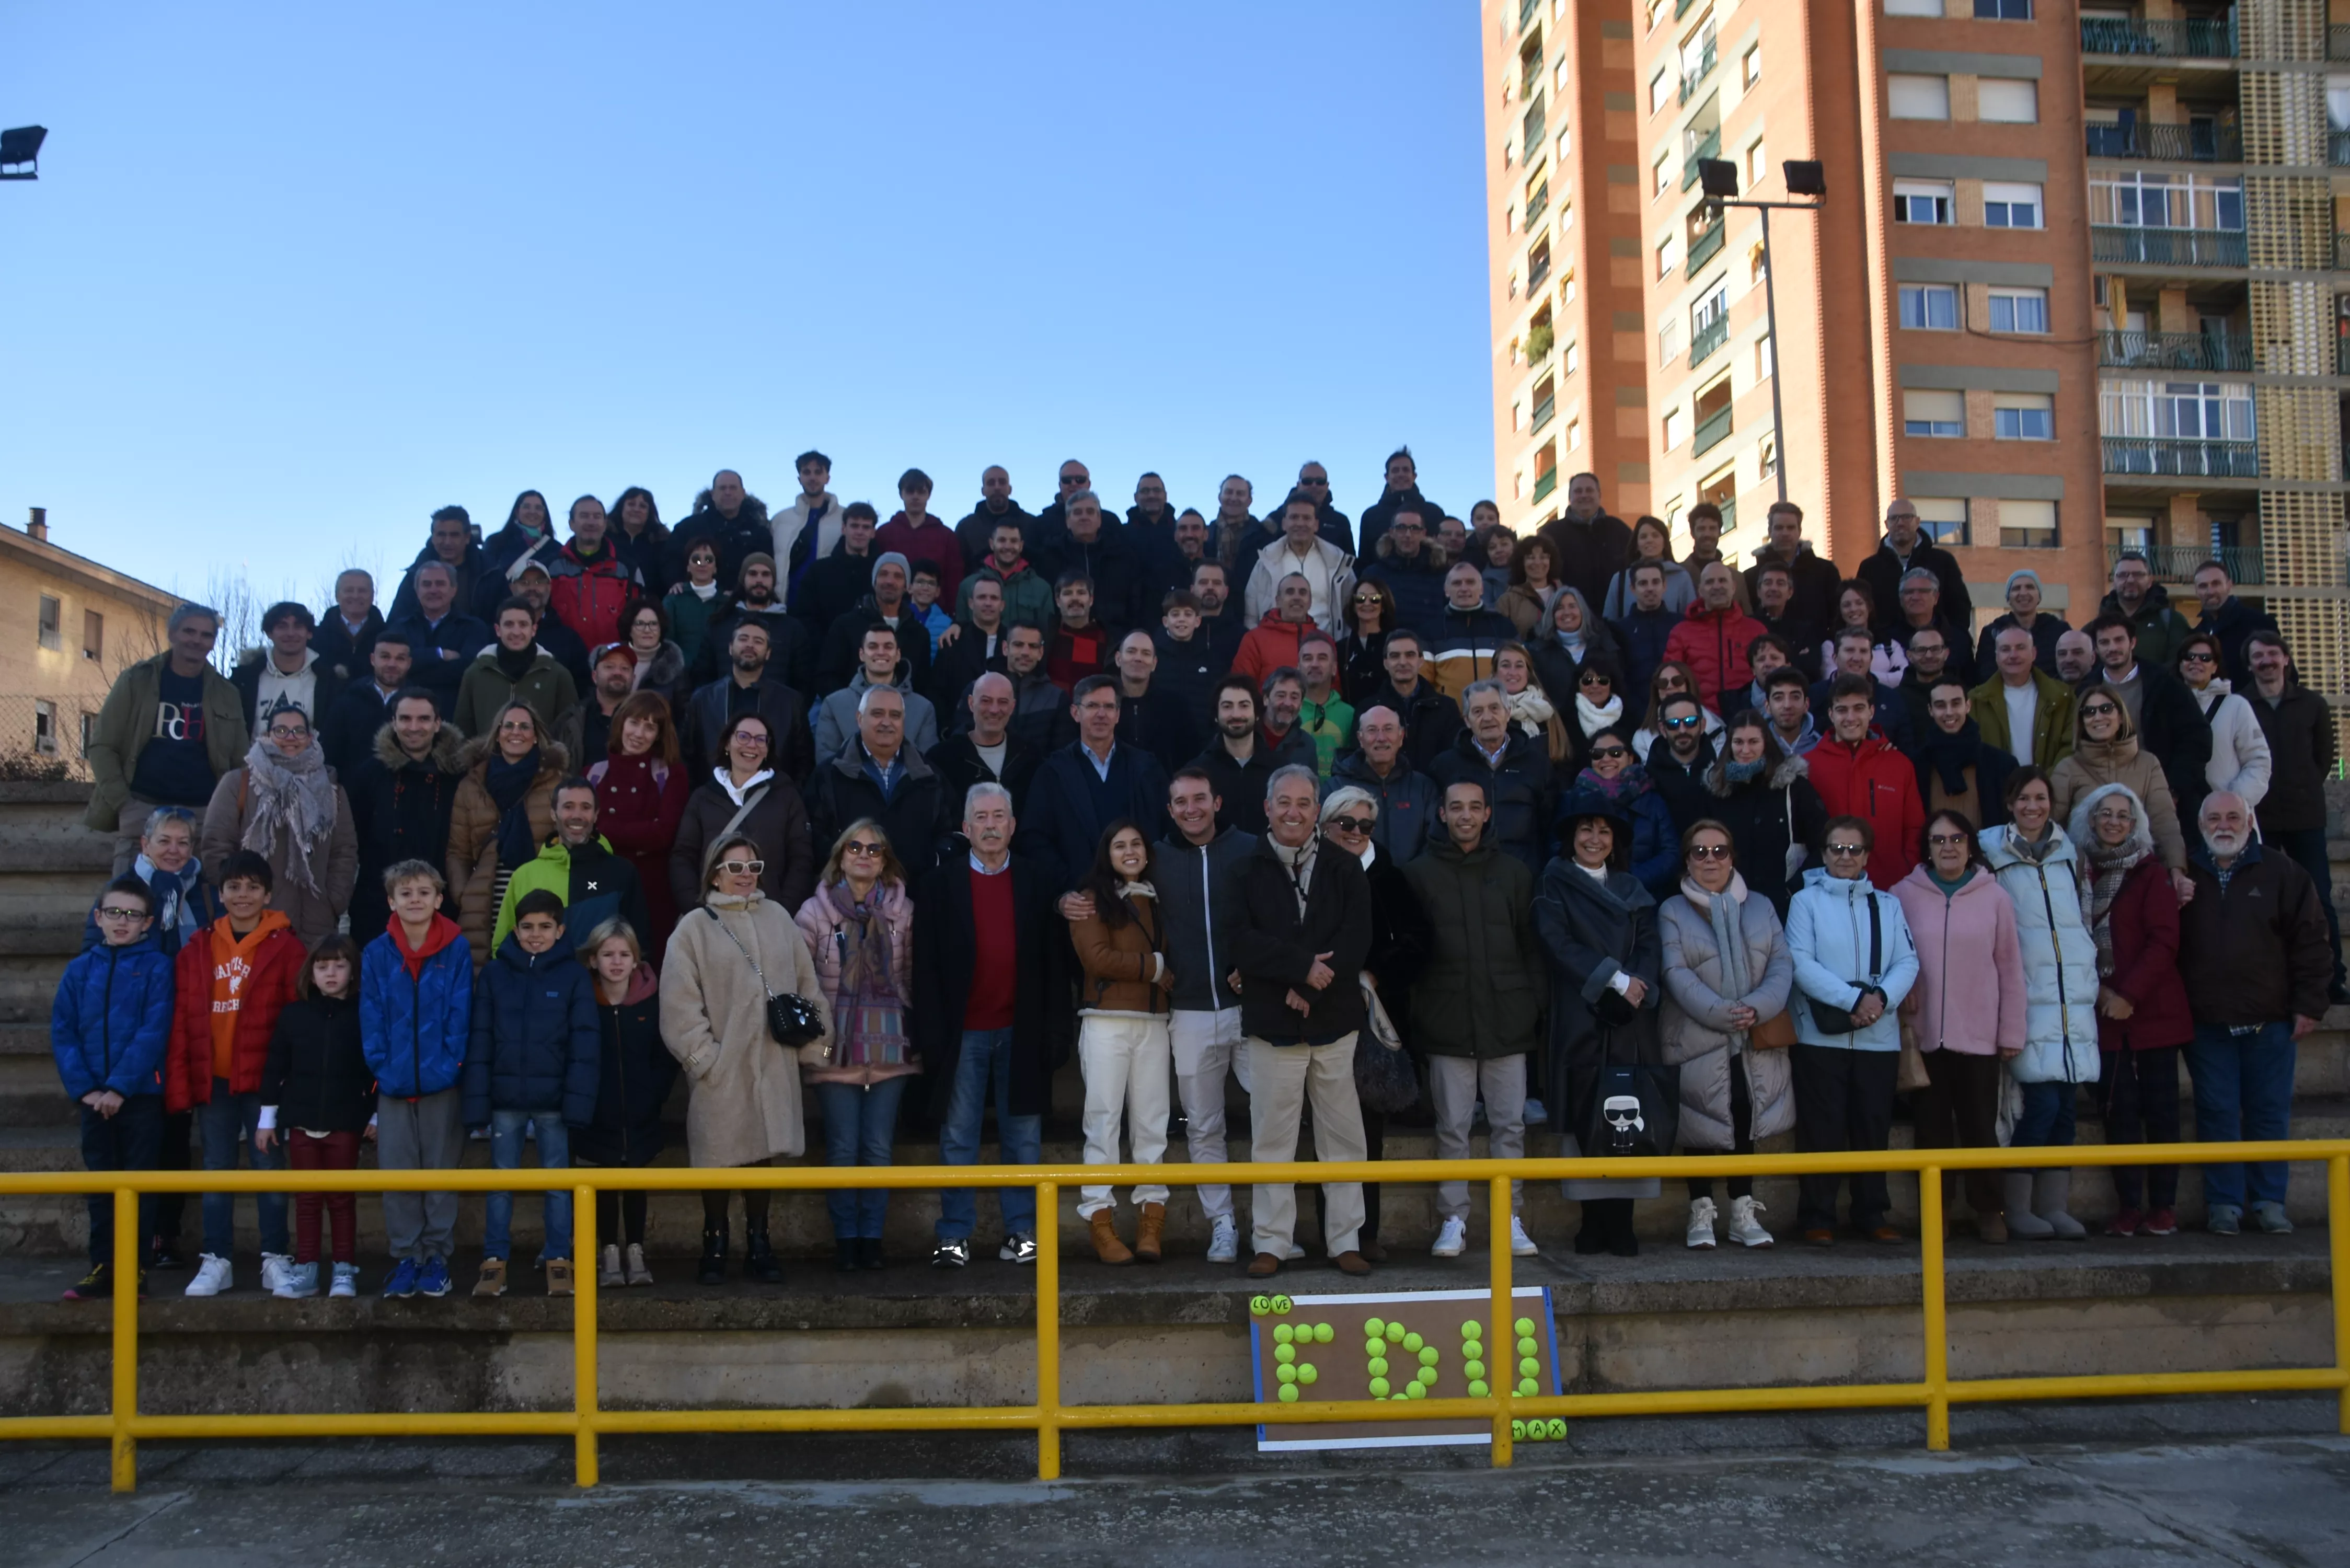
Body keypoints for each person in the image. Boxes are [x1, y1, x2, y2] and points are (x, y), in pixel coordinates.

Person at [662, 832, 831, 1284]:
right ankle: (714, 1244)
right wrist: (705, 1060)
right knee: (717, 1159)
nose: (744, 877)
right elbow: (679, 1003)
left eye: (752, 868)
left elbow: (806, 983)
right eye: (735, 868)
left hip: (774, 1063)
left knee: (761, 1159)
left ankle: (761, 1242)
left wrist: (816, 1048)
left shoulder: (778, 918)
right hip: (723, 1068)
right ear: (715, 871)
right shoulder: (694, 927)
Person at [918, 784, 1069, 1267]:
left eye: (999, 815)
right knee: (958, 1136)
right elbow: (925, 969)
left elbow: (1052, 963)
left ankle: (1022, 1233)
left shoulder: (1037, 879)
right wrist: (934, 1036)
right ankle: (954, 1236)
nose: (989, 824)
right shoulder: (940, 886)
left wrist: (1053, 1030)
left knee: (1022, 1137)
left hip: (1019, 1031)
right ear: (965, 828)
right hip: (963, 1033)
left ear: (1012, 825)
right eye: (980, 816)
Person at [1233, 767, 1374, 1277]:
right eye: (1283, 801)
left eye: (1303, 803)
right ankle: (1271, 1242)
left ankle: (1344, 1241)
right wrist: (1299, 971)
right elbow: (1241, 940)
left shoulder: (1344, 866)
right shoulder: (1244, 867)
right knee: (1272, 1140)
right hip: (1272, 1023)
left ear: (1317, 811)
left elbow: (1355, 936)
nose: (1293, 811)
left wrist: (1316, 983)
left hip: (1334, 1021)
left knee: (1343, 1139)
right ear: (1267, 807)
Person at [2176, 791, 2332, 1235]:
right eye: (2214, 818)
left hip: (2272, 1023)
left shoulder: (2284, 872)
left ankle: (2269, 1202)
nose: (2223, 825)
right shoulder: (2182, 873)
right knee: (2217, 1112)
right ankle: (2224, 1204)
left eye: (2233, 817)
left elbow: (2312, 943)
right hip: (2207, 1025)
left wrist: (2310, 1005)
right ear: (2201, 823)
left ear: (2249, 821)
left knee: (2268, 1113)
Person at [1406, 780, 1543, 1260]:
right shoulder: (1419, 874)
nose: (1465, 815)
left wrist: (1530, 1007)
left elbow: (1531, 948)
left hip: (1508, 1020)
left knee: (1510, 1127)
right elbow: (1413, 956)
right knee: (1453, 1129)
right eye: (1456, 807)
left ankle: (1510, 1219)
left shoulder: (1515, 872)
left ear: (1487, 814)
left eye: (1475, 807)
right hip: (1448, 1021)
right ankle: (1454, 1220)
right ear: (1442, 814)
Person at [166, 849, 304, 1296]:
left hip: (265, 1084)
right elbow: (184, 1017)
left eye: (251, 887)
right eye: (233, 887)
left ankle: (275, 1258)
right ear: (220, 894)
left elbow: (294, 1021)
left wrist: (286, 1081)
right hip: (217, 1080)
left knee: (269, 1166)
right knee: (217, 1168)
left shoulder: (287, 946)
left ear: (267, 893)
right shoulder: (198, 948)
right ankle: (217, 1259)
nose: (242, 895)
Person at [1536, 788, 1665, 1258]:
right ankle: (1591, 1222)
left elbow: (1651, 943)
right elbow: (1557, 943)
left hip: (1631, 1018)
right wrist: (1613, 979)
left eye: (1604, 831)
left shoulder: (1633, 888)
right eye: (1586, 829)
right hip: (1581, 1012)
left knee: (1627, 1117)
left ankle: (1622, 1222)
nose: (1594, 838)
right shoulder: (1553, 882)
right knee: (1587, 1120)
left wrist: (1637, 986)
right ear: (1571, 836)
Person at [1977, 769, 2102, 1239]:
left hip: (2072, 999)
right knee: (2039, 1106)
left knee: (2067, 1107)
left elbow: (2082, 918)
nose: (2033, 806)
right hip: (2026, 997)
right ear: (2010, 803)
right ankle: (2019, 1206)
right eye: (2024, 798)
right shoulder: (1991, 852)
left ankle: (2055, 1206)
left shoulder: (2071, 854)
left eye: (2041, 798)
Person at [1660, 820, 1794, 1250]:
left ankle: (1742, 1209)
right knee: (1699, 1119)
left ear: (1732, 857)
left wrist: (1758, 1007)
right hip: (1696, 1034)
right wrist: (1721, 1013)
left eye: (1719, 851)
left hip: (1752, 1033)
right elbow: (1674, 972)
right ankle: (1700, 1211)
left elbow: (1781, 963)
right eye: (1700, 852)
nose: (1710, 860)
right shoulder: (1671, 910)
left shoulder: (1761, 907)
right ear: (1687, 861)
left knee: (1743, 1114)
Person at [1893, 812, 2028, 1243]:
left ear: (1970, 845)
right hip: (1924, 1034)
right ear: (1927, 847)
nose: (1948, 847)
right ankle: (1938, 1214)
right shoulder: (1902, 896)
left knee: (1980, 1129)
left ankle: (1990, 1210)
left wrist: (2011, 1032)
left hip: (1980, 1034)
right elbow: (1895, 955)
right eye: (1938, 840)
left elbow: (2010, 967)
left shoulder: (1995, 899)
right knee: (1931, 1133)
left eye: (1956, 839)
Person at [1784, 818, 1919, 1245]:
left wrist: (1879, 1000)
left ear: (1866, 855)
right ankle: (1817, 1215)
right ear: (1823, 853)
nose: (1845, 857)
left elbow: (1908, 962)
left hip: (1878, 1038)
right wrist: (1852, 1001)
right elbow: (1800, 962)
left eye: (1854, 850)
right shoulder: (1805, 903)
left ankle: (1872, 1213)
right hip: (1820, 1037)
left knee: (1872, 1127)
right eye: (1837, 848)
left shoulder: (1889, 904)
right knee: (1821, 1129)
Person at [792, 821, 918, 1272]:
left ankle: (873, 1239)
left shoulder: (904, 912)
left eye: (875, 850)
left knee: (879, 1148)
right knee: (844, 1147)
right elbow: (799, 982)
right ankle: (847, 1239)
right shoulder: (812, 913)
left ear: (885, 860)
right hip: (833, 1046)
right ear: (840, 855)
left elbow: (909, 978)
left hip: (890, 1044)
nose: (864, 855)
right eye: (855, 847)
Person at [460, 887, 596, 1298]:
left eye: (545, 927)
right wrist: (478, 1105)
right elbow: (480, 1039)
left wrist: (576, 1102)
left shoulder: (573, 976)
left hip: (554, 1102)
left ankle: (558, 1257)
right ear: (515, 930)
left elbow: (584, 1044)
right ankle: (494, 1260)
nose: (535, 935)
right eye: (527, 927)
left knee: (557, 1184)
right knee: (501, 1183)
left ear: (560, 930)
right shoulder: (497, 973)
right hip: (504, 1101)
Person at [2070, 785, 2192, 1238]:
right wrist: (2101, 992)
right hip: (2103, 1017)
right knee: (2116, 1114)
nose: (2114, 821)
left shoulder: (2151, 873)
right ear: (2092, 818)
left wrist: (2129, 995)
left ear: (2136, 822)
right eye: (2106, 813)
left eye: (2124, 815)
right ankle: (2128, 1206)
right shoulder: (2079, 871)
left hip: (2153, 1016)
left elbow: (2165, 942)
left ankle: (2163, 1206)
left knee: (2161, 1114)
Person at [1315, 786, 1429, 1261]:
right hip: (1319, 1016)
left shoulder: (1391, 878)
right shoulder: (1308, 874)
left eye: (1365, 825)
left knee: (1368, 1134)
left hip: (1375, 1024)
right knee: (1322, 1134)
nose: (1356, 833)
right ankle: (1330, 1236)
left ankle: (1365, 1234)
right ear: (1326, 827)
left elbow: (1420, 942)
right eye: (1346, 824)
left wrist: (1375, 971)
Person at [1059, 821, 1176, 1264]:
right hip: (1106, 1021)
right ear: (1106, 854)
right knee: (1103, 1121)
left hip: (1154, 1021)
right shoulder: (1089, 900)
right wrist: (1156, 965)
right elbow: (1097, 959)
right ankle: (1101, 1220)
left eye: (1136, 845)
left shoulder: (1162, 898)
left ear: (1147, 852)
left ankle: (1151, 1221)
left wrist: (1167, 969)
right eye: (1119, 846)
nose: (1129, 852)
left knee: (1152, 1123)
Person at [53, 877, 174, 1300]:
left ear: (148, 923)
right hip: (92, 1098)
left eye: (133, 915)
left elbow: (153, 1031)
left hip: (139, 1097)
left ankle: (135, 1269)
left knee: (139, 1183)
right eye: (114, 913)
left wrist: (119, 1088)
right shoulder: (79, 969)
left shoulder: (158, 967)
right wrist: (87, 1089)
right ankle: (103, 1267)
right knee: (102, 1184)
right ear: (98, 917)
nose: (123, 922)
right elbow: (63, 1031)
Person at [1153, 769, 1257, 1263]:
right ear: (1170, 809)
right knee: (1203, 1127)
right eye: (1180, 802)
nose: (1191, 809)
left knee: (1272, 1120)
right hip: (1191, 1011)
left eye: (1200, 798)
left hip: (1252, 1010)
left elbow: (1279, 917)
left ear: (1216, 801)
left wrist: (1256, 969)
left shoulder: (1251, 849)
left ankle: (1272, 1228)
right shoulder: (1156, 858)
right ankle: (1223, 1225)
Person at [361, 860, 471, 1301]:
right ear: (391, 901)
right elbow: (370, 1017)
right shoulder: (376, 952)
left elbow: (461, 1015)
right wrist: (384, 1069)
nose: (415, 900)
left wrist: (449, 1067)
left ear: (439, 899)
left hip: (441, 1083)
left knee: (441, 1174)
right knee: (399, 1173)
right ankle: (406, 1257)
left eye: (424, 892)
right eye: (405, 894)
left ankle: (436, 1259)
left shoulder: (456, 948)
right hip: (392, 1085)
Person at [86, 603, 249, 875]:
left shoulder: (227, 693)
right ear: (172, 633)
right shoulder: (136, 680)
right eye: (189, 631)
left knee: (201, 907)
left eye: (206, 635)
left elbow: (240, 761)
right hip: (144, 807)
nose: (197, 640)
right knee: (134, 904)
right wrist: (124, 804)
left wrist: (230, 812)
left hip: (205, 814)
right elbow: (102, 746)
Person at [2239, 630, 2346, 1001]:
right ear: (2249, 663)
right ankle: (2268, 980)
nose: (2266, 661)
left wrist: (2301, 789)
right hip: (2259, 817)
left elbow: (2323, 758)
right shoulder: (2239, 704)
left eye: (2272, 654)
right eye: (2258, 656)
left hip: (2305, 816)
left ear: (2286, 659)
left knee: (2320, 897)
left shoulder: (2313, 704)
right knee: (2258, 899)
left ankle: (2333, 981)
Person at [199, 706, 359, 951]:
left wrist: (334, 901)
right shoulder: (237, 783)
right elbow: (216, 845)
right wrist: (239, 898)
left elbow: (344, 852)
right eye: (281, 730)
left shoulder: (332, 790)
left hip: (315, 920)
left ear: (311, 737)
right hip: (253, 919)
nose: (290, 738)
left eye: (299, 731)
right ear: (267, 736)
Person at [572, 918, 675, 1288]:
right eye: (607, 954)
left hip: (640, 1113)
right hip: (595, 1115)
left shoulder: (653, 1003)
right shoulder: (582, 1002)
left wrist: (653, 1096)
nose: (616, 962)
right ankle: (608, 1252)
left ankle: (635, 1251)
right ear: (593, 960)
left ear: (636, 960)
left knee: (634, 1183)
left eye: (624, 954)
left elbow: (664, 1058)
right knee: (599, 1184)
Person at [447, 702, 569, 971]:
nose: (517, 732)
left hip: (539, 897)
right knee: (485, 976)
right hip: (484, 898)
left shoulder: (556, 782)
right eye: (509, 725)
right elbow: (458, 851)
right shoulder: (472, 784)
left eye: (525, 726)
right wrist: (464, 894)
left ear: (536, 735)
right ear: (497, 732)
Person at [1018, 675, 1173, 887]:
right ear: (1075, 712)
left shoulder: (1146, 767)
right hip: (1080, 899)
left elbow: (1167, 828)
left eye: (1109, 707)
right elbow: (1035, 839)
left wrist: (1150, 877)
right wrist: (1068, 888)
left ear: (1118, 714)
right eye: (1092, 706)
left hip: (1142, 893)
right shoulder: (1053, 773)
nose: (1101, 714)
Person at [670, 713, 817, 921]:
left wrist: (783, 911)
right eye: (743, 737)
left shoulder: (787, 796)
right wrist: (698, 911)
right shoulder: (702, 798)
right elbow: (683, 856)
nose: (752, 745)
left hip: (770, 919)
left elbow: (801, 859)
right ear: (727, 744)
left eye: (760, 739)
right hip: (712, 917)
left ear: (767, 750)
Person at [2047, 686, 2191, 891]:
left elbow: (2164, 822)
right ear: (2081, 721)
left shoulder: (2148, 764)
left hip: (2138, 878)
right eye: (2089, 712)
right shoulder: (2068, 767)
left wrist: (2177, 869)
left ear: (2121, 717)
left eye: (2106, 709)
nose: (2098, 717)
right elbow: (2051, 827)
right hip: (2083, 879)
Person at [807, 683, 948, 890]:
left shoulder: (931, 776)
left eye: (895, 715)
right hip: (846, 901)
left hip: (918, 899)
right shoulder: (828, 775)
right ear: (859, 718)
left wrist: (931, 862)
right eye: (877, 714)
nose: (886, 722)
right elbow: (815, 838)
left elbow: (949, 832)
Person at [490, 777, 652, 955]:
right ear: (553, 813)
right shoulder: (524, 875)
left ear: (596, 814)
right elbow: (502, 948)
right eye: (568, 807)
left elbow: (639, 949)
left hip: (599, 983)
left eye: (586, 807)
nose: (577, 815)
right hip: (541, 983)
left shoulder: (623, 873)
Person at [587, 691, 688, 958]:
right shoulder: (593, 773)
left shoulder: (671, 773)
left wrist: (606, 828)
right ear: (621, 723)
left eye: (650, 727)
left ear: (659, 734)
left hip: (652, 894)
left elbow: (664, 834)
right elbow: (584, 832)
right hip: (601, 889)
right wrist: (644, 830)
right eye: (634, 722)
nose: (639, 733)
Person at [2081, 613, 2212, 817]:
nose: (2112, 648)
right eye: (2104, 642)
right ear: (2096, 649)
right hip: (2103, 800)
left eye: (2119, 640)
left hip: (2160, 798)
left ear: (2133, 642)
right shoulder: (2085, 691)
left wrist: (2173, 789)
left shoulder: (2164, 685)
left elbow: (2197, 738)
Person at [1699, 712, 1826, 918]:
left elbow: (1823, 843)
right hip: (1730, 907)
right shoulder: (1715, 791)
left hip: (1785, 908)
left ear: (1766, 743)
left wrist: (1793, 890)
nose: (1745, 750)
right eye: (1738, 742)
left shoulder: (1794, 788)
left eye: (1753, 742)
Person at [1806, 674, 1923, 890]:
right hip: (1828, 889)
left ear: (1871, 712)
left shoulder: (1899, 764)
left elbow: (1914, 828)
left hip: (1890, 887)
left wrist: (1907, 871)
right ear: (1831, 715)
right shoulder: (1809, 766)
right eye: (1842, 710)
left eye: (1858, 708)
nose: (1851, 717)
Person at [1430, 679, 1553, 873]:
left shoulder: (1538, 764)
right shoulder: (1445, 766)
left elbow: (1549, 826)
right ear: (1467, 720)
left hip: (1524, 875)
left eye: (1495, 708)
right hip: (1466, 874)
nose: (1488, 718)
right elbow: (1437, 829)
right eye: (1478, 711)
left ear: (1508, 712)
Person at [682, 618, 815, 785]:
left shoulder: (791, 702)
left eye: (758, 641)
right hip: (712, 802)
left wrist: (788, 802)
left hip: (773, 803)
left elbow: (804, 762)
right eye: (743, 639)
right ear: (731, 648)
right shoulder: (702, 700)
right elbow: (687, 758)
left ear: (768, 653)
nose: (750, 645)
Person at [1566, 724, 1679, 902]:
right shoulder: (1573, 798)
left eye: (1616, 753)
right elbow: (1558, 846)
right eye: (1598, 754)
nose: (1606, 759)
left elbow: (1670, 852)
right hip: (1585, 896)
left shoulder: (1653, 800)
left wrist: (1630, 881)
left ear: (1631, 758)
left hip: (1642, 898)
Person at [454, 598, 581, 748]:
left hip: (541, 766)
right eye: (509, 625)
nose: (516, 632)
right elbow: (463, 729)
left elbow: (569, 732)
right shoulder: (475, 673)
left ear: (533, 630)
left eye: (523, 625)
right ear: (498, 630)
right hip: (488, 766)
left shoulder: (558, 675)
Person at [1324, 705, 1438, 867]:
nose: (1381, 738)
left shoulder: (1424, 788)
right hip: (1351, 886)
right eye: (1372, 730)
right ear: (1360, 739)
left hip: (1411, 886)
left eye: (1388, 729)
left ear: (1401, 736)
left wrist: (1408, 878)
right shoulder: (1336, 788)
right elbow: (1326, 841)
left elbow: (1433, 843)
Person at [814, 625, 941, 763]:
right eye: (873, 646)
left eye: (888, 647)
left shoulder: (923, 708)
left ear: (898, 655)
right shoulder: (834, 704)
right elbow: (825, 762)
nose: (881, 652)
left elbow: (928, 765)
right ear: (861, 654)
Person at [2173, 632, 2270, 811]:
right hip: (2178, 814)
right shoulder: (2166, 705)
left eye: (2205, 658)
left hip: (2226, 817)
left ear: (2215, 666)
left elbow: (2258, 762)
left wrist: (2234, 800)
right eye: (2189, 656)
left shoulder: (2236, 706)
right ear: (2180, 664)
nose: (2196, 661)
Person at [820, 552, 935, 698]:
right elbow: (827, 677)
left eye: (898, 576)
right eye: (883, 574)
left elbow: (922, 686)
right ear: (874, 581)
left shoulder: (919, 634)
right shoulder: (845, 625)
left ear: (908, 586)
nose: (890, 581)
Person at [927, 671, 1042, 816]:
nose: (994, 710)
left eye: (1003, 702)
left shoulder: (1031, 758)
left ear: (1012, 707)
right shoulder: (941, 759)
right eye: (986, 701)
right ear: (971, 703)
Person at [1856, 498, 1967, 643]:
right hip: (1885, 649)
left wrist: (1952, 640)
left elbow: (1960, 606)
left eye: (1906, 517)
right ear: (1887, 524)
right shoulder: (1870, 567)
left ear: (1918, 522)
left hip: (1936, 648)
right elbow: (1862, 609)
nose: (1900, 523)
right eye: (1894, 518)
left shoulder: (1943, 561)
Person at [385, 560, 495, 707]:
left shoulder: (473, 627)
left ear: (454, 590)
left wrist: (415, 667)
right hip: (407, 714)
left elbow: (468, 671)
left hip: (454, 713)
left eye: (440, 584)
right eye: (427, 584)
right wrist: (439, 654)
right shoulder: (400, 627)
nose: (433, 590)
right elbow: (395, 666)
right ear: (417, 591)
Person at [1968, 624, 2075, 773]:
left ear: (2034, 653)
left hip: (2050, 789)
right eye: (2006, 649)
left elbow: (2070, 746)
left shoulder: (2062, 696)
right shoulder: (1976, 700)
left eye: (2020, 648)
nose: (2013, 655)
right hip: (1996, 791)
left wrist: (2045, 783)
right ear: (1997, 656)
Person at [1912, 677, 2015, 830]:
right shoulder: (1917, 764)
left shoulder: (2003, 764)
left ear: (1968, 706)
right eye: (1940, 706)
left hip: (1989, 852)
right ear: (1930, 711)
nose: (1949, 712)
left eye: (1956, 704)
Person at [230, 601, 347, 733]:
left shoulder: (331, 683)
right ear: (270, 633)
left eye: (298, 626)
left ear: (309, 633)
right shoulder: (243, 680)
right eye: (282, 626)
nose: (291, 633)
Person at [545, 494, 640, 654]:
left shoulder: (627, 569)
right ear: (572, 524)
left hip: (613, 663)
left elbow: (639, 617)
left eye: (597, 517)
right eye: (584, 516)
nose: (591, 522)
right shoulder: (550, 568)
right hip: (562, 663)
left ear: (605, 524)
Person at [1190, 675, 1283, 837]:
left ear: (1257, 714)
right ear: (1216, 715)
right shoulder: (1198, 772)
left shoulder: (1281, 771)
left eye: (1244, 706)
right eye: (1227, 706)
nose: (1236, 714)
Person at [1662, 561, 1761, 714]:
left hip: (1749, 718)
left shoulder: (1756, 630)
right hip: (1700, 721)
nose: (1717, 586)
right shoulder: (1681, 633)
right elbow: (1672, 682)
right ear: (1700, 590)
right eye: (1710, 582)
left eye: (1722, 581)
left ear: (1734, 587)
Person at [1245, 494, 1355, 631]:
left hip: (1326, 646)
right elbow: (1251, 617)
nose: (1300, 523)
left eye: (1307, 518)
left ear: (1316, 525)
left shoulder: (1338, 563)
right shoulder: (1265, 563)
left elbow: (1352, 612)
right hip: (1276, 646)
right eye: (1294, 517)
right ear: (1284, 524)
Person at [320, 629, 419, 781]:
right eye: (385, 657)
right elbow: (329, 754)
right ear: (373, 659)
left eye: (400, 658)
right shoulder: (347, 700)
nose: (392, 664)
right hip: (353, 795)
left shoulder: (421, 704)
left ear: (409, 663)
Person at [1365, 627, 1464, 772]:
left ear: (1421, 661)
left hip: (1434, 791)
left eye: (1410, 655)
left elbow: (1454, 761)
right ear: (1386, 663)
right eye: (1395, 656)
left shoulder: (1446, 708)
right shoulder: (1368, 710)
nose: (1403, 662)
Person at [1111, 627, 1204, 775]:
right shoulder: (1103, 705)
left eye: (1146, 653)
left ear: (1154, 663)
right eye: (1131, 651)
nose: (1138, 658)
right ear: (1118, 659)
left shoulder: (1176, 707)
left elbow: (1191, 760)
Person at [1537, 472, 1635, 612]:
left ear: (1599, 495)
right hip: (1569, 619)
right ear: (1570, 497)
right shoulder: (1551, 534)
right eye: (1578, 491)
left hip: (1617, 619)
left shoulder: (1619, 529)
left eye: (1589, 490)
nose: (1584, 495)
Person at [1743, 500, 1842, 636]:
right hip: (1767, 652)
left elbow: (1838, 616)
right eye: (1779, 528)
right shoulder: (1750, 578)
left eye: (1790, 528)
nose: (1785, 533)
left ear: (1799, 531)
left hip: (1815, 652)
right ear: (1769, 531)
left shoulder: (1826, 572)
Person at [666, 469, 771, 592]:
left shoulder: (759, 532)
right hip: (697, 601)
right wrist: (675, 581)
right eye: (722, 488)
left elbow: (766, 566)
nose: (728, 493)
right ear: (713, 494)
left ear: (743, 493)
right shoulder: (689, 527)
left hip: (743, 603)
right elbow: (670, 558)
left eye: (733, 488)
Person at [877, 467, 965, 608]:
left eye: (921, 492)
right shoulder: (884, 532)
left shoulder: (946, 536)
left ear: (929, 495)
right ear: (901, 494)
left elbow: (954, 579)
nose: (915, 496)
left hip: (935, 614)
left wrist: (952, 612)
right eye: (910, 491)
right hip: (890, 610)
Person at [472, 489, 563, 623]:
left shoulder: (556, 548)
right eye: (527, 507)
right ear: (517, 511)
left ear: (545, 514)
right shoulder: (496, 542)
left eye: (538, 508)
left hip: (541, 621)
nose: (532, 512)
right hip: (498, 615)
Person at [1358, 505, 1449, 639]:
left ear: (1423, 533)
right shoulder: (1373, 575)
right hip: (1385, 651)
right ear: (1392, 532)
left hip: (1430, 650)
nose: (1408, 535)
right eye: (1401, 528)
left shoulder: (1441, 574)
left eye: (1414, 529)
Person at [388, 504, 486, 627]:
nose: (447, 542)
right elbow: (396, 622)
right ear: (433, 538)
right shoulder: (414, 575)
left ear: (467, 538)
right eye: (441, 535)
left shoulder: (489, 574)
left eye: (454, 535)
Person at [795, 502, 884, 637]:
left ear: (873, 533)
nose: (860, 532)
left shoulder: (884, 574)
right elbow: (804, 616)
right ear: (844, 529)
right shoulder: (819, 571)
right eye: (854, 526)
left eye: (866, 527)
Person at [2099, 551, 2194, 671]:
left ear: (2150, 581)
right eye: (2123, 575)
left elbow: (2179, 665)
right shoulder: (2099, 624)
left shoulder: (2173, 622)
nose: (2130, 580)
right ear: (2114, 581)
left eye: (2138, 575)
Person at [1608, 561, 1679, 716]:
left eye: (1656, 582)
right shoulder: (1618, 630)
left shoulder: (1680, 625)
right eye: (1643, 583)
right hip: (1635, 716)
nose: (1650, 588)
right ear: (1633, 589)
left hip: (1679, 711)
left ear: (1664, 586)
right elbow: (1619, 679)